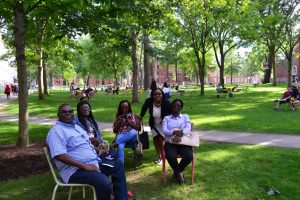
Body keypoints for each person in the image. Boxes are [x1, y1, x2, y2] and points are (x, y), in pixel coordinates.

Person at [46, 103, 129, 200]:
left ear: (73, 113)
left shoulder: (76, 127)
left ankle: (121, 198)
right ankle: (108, 195)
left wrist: (97, 150)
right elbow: (60, 156)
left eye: (70, 111)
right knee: (104, 182)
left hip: (94, 162)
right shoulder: (56, 131)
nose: (68, 113)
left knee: (118, 164)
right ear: (58, 114)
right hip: (75, 170)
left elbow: (85, 143)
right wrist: (86, 166)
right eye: (64, 112)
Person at [162, 99, 193, 184]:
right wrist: (174, 132)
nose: (177, 107)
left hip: (183, 141)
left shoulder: (185, 116)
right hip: (170, 142)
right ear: (171, 107)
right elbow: (164, 130)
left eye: (179, 106)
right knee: (171, 156)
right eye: (175, 105)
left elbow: (188, 128)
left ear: (181, 108)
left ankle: (176, 172)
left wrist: (181, 133)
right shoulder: (166, 118)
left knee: (189, 156)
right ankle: (179, 173)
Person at [140, 88, 171, 165]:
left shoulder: (166, 102)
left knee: (161, 140)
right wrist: (141, 117)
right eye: (155, 94)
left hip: (163, 124)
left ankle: (163, 157)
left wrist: (164, 119)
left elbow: (170, 113)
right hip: (153, 124)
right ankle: (160, 157)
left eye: (159, 94)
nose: (157, 95)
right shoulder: (149, 101)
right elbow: (144, 108)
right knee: (155, 140)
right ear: (152, 95)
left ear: (162, 95)